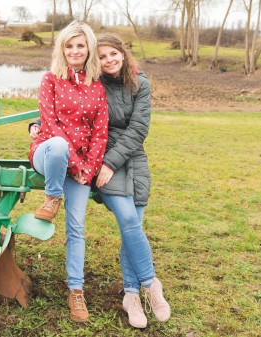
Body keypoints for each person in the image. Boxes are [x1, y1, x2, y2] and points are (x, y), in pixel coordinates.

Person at [28, 21, 109, 323]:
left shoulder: (97, 88)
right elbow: (49, 125)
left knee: (76, 227)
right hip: (49, 155)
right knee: (60, 144)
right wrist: (75, 164)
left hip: (82, 168)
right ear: (62, 50)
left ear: (88, 49)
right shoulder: (51, 80)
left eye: (80, 45)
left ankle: (75, 290)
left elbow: (100, 133)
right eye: (69, 45)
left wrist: (87, 169)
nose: (75, 50)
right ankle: (51, 197)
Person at [94, 33, 170, 328]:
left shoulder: (140, 83)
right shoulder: (93, 84)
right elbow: (67, 110)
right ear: (95, 61)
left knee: (133, 226)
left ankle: (131, 295)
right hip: (103, 161)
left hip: (133, 160)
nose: (109, 60)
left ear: (122, 54)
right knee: (128, 219)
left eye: (113, 53)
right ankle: (151, 284)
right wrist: (37, 124)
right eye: (101, 56)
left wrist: (115, 162)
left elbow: (139, 128)